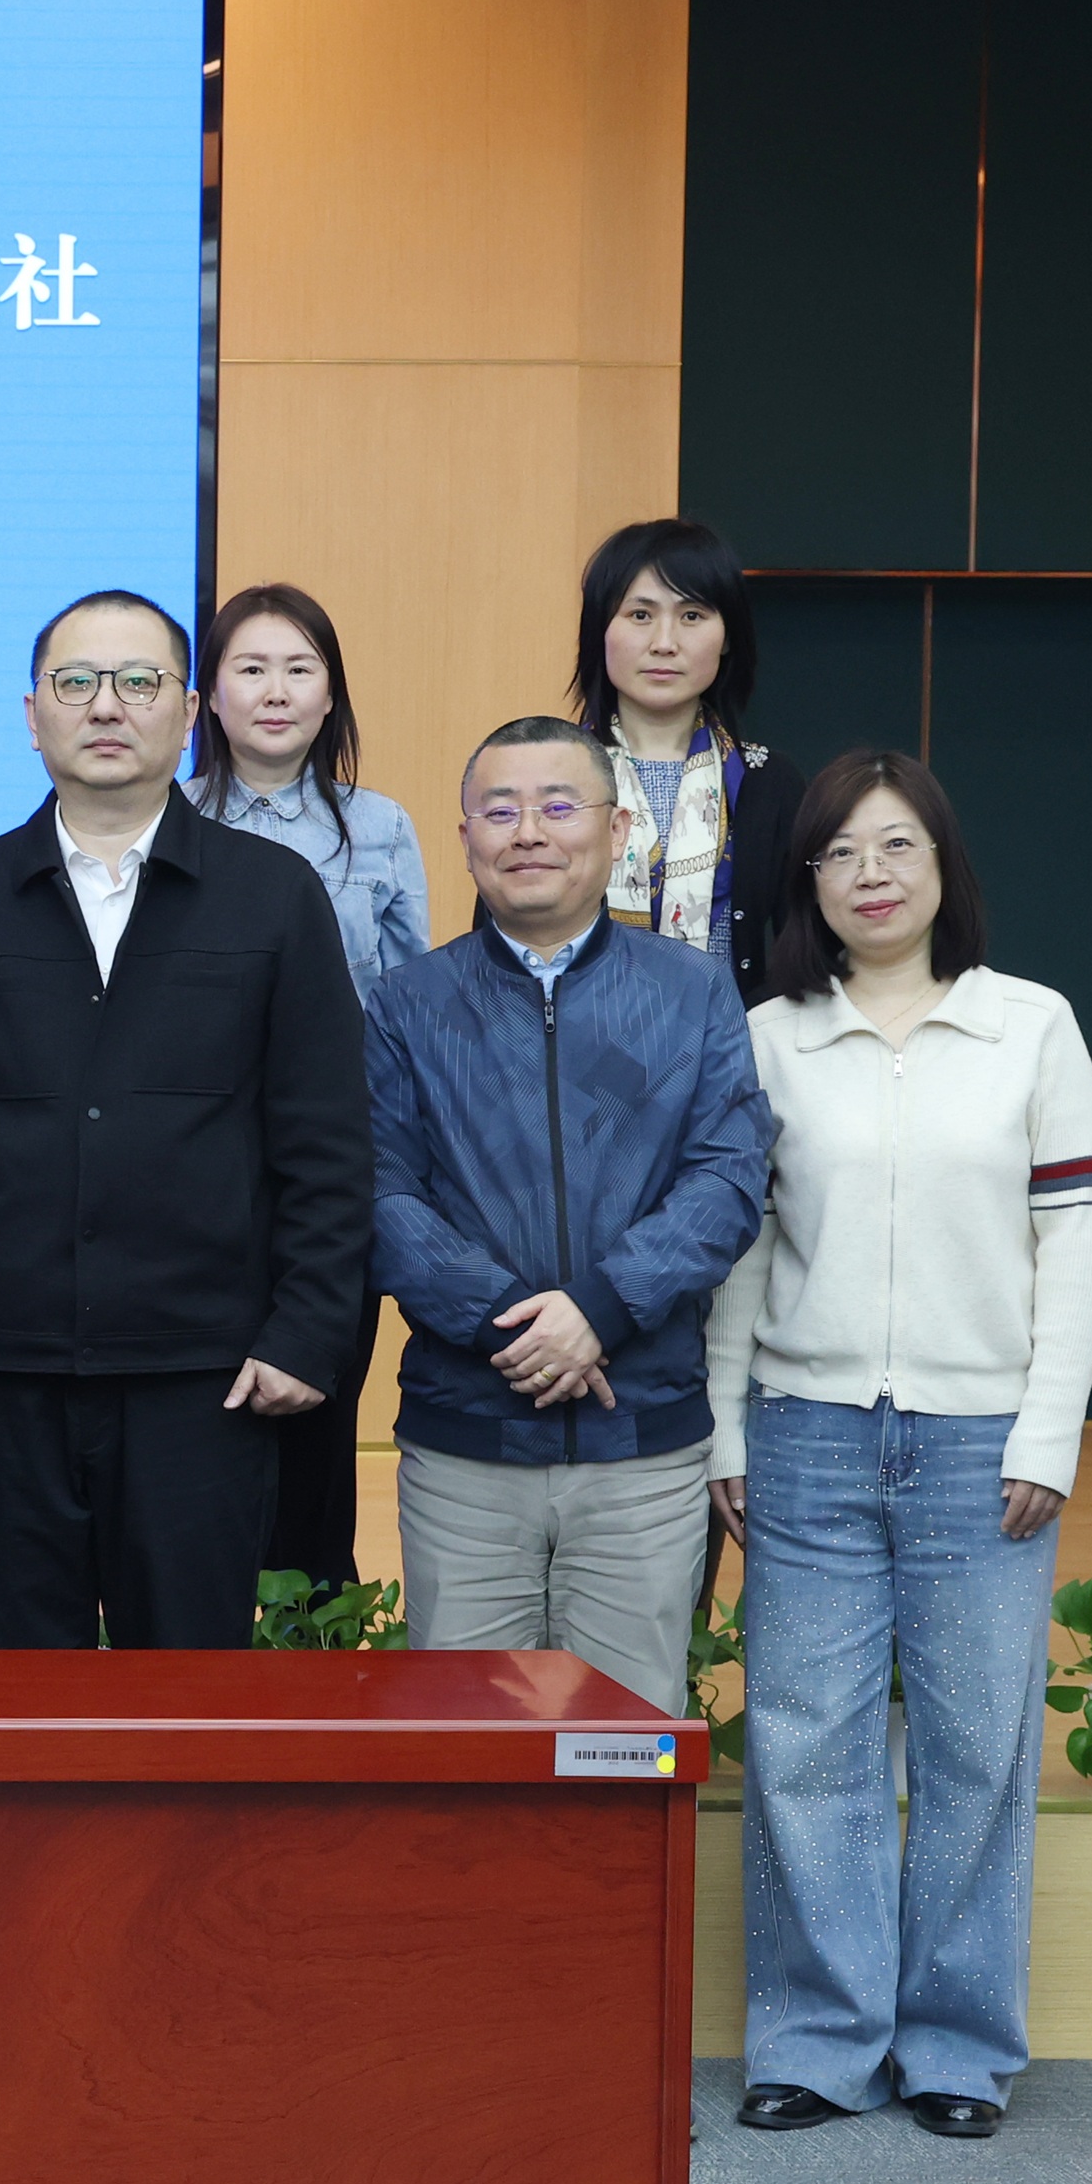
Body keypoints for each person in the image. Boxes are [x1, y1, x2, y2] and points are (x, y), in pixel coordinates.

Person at [711, 753, 1092, 2142]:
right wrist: (724, 1424)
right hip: (805, 1432)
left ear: (944, 866)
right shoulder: (770, 1037)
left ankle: (954, 2046)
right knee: (803, 1744)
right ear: (806, 882)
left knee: (976, 1748)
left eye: (897, 846)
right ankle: (817, 2042)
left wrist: (1047, 1429)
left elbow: (1075, 1245)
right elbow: (741, 1254)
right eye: (840, 853)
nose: (870, 874)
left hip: (978, 1439)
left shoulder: (1031, 1027)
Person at [0, 592, 371, 1650]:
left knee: (190, 1701)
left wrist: (305, 1332)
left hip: (206, 1377)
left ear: (187, 712)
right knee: (25, 1696)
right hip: (7, 1374)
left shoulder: (273, 895)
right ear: (32, 715)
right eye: (76, 682)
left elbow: (326, 1144)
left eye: (140, 681)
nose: (106, 706)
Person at [365, 719, 769, 1714]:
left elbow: (727, 1177)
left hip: (642, 1442)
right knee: (466, 1743)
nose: (529, 832)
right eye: (500, 810)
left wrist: (599, 1308)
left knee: (623, 1747)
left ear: (616, 828)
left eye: (558, 806)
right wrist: (514, 1323)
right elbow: (379, 1191)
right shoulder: (407, 1003)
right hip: (466, 1446)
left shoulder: (692, 991)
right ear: (465, 835)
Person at [187, 581, 432, 1587]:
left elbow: (410, 1014)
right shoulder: (163, 821)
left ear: (331, 694)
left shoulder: (380, 828)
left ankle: (309, 1649)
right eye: (250, 667)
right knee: (193, 1448)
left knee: (315, 1453)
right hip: (193, 1181)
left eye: (300, 668)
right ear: (207, 693)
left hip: (331, 1181)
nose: (275, 690)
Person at [574, 518, 812, 1003]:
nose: (664, 642)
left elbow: (809, 952)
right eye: (640, 614)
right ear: (601, 628)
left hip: (727, 1044)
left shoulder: (769, 783)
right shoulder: (547, 776)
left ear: (727, 637)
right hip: (566, 1044)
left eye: (692, 615)